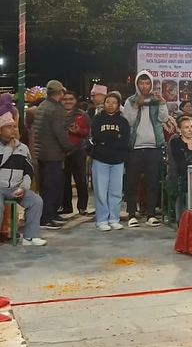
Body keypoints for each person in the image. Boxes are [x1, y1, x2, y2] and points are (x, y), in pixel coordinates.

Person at [122, 70, 169, 228]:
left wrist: (162, 102)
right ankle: (131, 214)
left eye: (147, 83)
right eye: (141, 83)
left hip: (153, 147)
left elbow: (164, 119)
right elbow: (128, 121)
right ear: (137, 84)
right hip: (134, 147)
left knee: (152, 182)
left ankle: (151, 214)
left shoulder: (156, 100)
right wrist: (137, 105)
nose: (144, 86)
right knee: (131, 182)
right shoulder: (130, 100)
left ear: (151, 84)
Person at [33, 80, 76, 230]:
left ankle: (50, 214)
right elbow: (60, 134)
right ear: (60, 93)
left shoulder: (42, 106)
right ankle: (46, 217)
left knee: (47, 186)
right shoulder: (56, 109)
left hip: (42, 152)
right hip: (53, 154)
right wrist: (70, 147)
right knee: (53, 187)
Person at [0, 112, 46, 245]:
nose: (13, 129)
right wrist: (9, 149)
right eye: (9, 127)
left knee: (36, 201)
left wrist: (24, 187)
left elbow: (28, 171)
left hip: (16, 187)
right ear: (0, 130)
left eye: (14, 126)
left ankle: (30, 236)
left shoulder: (23, 148)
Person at [90, 91, 130, 231]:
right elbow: (97, 137)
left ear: (118, 105)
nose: (110, 105)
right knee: (101, 190)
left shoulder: (123, 121)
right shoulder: (97, 119)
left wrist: (107, 141)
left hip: (118, 160)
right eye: (108, 102)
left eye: (114, 103)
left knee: (116, 191)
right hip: (100, 159)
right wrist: (114, 138)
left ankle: (114, 218)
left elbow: (124, 140)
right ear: (104, 104)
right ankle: (101, 219)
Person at [60, 90, 91, 216]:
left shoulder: (82, 115)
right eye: (65, 99)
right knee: (64, 180)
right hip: (62, 152)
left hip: (78, 151)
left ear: (75, 101)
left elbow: (88, 132)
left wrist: (79, 131)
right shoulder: (58, 114)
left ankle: (82, 206)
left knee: (81, 180)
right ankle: (66, 206)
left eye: (70, 99)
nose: (68, 101)